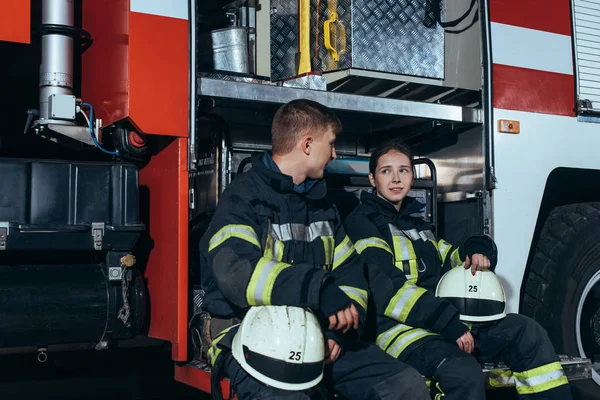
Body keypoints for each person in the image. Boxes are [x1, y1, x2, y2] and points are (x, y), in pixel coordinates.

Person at [198, 100, 431, 400]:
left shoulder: (323, 206)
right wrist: (318, 289)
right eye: (330, 144)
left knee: (405, 385)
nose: (334, 154)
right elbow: (236, 273)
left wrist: (338, 332)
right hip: (246, 334)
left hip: (314, 334)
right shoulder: (243, 198)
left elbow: (352, 276)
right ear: (307, 145)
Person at [343, 137, 572, 400]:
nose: (396, 179)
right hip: (399, 331)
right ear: (372, 180)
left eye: (403, 170)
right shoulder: (362, 223)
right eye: (386, 171)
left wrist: (476, 249)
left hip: (444, 323)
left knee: (527, 332)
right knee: (462, 372)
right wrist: (448, 324)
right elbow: (386, 286)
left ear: (412, 176)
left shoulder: (415, 224)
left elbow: (451, 255)